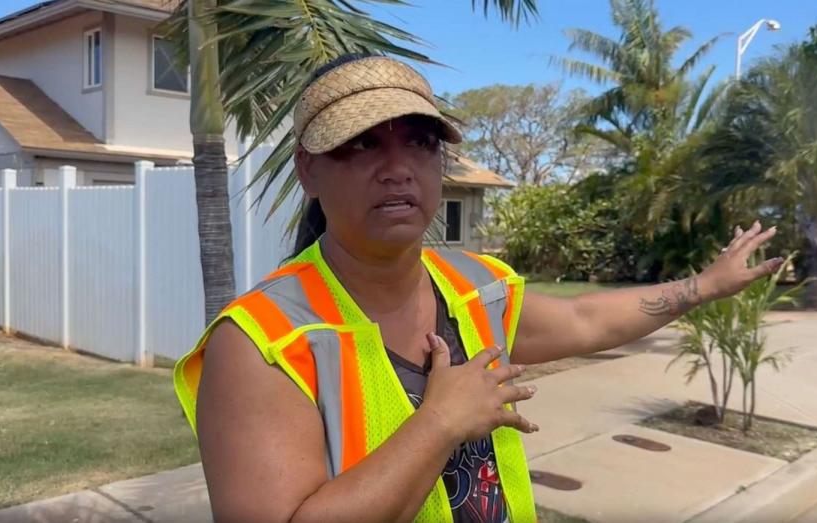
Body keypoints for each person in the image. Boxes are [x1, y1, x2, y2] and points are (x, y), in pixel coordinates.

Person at [172, 54, 782, 523]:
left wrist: (705, 285)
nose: (397, 166)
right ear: (308, 169)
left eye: (419, 140)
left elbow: (588, 321)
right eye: (362, 144)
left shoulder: (476, 287)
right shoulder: (261, 343)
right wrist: (438, 423)